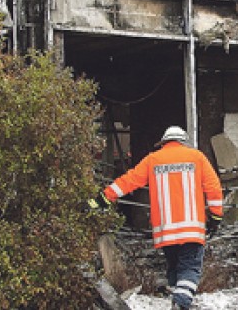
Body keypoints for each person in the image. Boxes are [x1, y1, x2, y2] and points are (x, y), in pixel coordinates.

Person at [92, 126, 224, 310]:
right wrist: (216, 217)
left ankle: (175, 296)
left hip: (165, 231)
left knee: (174, 267)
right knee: (190, 268)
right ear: (184, 141)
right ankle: (180, 302)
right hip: (192, 228)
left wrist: (105, 198)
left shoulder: (153, 160)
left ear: (163, 143)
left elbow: (129, 180)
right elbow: (213, 188)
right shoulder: (197, 158)